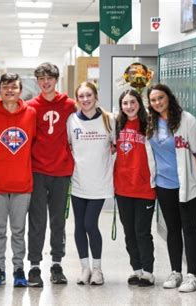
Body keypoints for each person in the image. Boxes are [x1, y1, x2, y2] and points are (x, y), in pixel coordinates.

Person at [147, 83, 196, 293]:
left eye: (160, 98)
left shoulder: (187, 120)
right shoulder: (151, 122)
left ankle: (192, 275)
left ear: (169, 98)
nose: (157, 103)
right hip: (164, 185)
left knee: (189, 229)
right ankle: (176, 271)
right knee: (173, 230)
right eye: (153, 100)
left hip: (188, 184)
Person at [0, 73, 37, 288]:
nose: (10, 91)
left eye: (14, 87)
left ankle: (18, 268)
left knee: (18, 230)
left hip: (22, 184)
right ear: (0, 90)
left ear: (20, 90)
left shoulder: (31, 114)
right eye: (6, 87)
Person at [26, 62, 75, 287]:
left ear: (56, 80)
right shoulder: (30, 107)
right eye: (41, 79)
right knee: (36, 220)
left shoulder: (70, 105)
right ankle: (34, 266)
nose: (46, 82)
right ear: (37, 81)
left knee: (58, 220)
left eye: (49, 78)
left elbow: (93, 117)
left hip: (61, 171)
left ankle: (57, 264)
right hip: (37, 170)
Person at [66, 82, 115, 286]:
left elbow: (115, 147)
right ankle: (84, 268)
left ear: (95, 96)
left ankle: (97, 269)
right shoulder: (72, 120)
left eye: (88, 95)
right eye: (81, 96)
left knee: (90, 224)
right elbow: (69, 145)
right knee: (79, 226)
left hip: (100, 182)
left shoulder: (109, 119)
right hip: (78, 182)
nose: (85, 100)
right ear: (77, 99)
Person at [114, 89, 156, 287]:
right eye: (125, 103)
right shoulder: (117, 125)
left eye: (132, 102)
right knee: (129, 232)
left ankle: (148, 272)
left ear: (139, 103)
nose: (129, 106)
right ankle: (136, 269)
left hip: (144, 188)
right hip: (122, 188)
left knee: (142, 231)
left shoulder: (149, 124)